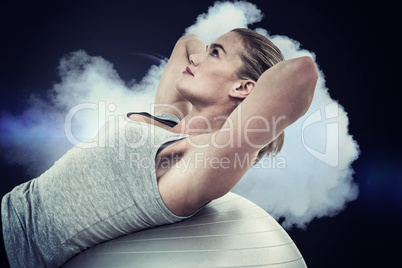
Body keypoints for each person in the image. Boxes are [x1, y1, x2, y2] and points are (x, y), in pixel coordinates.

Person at [0, 28, 318, 267]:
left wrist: (250, 94)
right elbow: (186, 43)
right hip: (9, 207)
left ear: (244, 86)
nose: (197, 57)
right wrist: (216, 52)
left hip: (14, 247)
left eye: (215, 53)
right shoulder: (169, 119)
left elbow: (301, 73)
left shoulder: (194, 160)